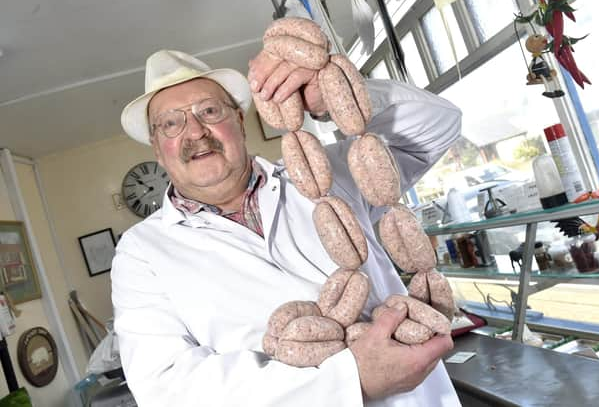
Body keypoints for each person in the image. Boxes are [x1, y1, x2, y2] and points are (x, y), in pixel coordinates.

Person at [112, 45, 462, 407]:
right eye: (171, 123)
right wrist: (349, 381)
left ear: (239, 120)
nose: (196, 131)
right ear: (157, 148)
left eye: (210, 111)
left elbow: (439, 124)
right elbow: (165, 388)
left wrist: (336, 95)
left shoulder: (326, 171)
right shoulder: (141, 252)